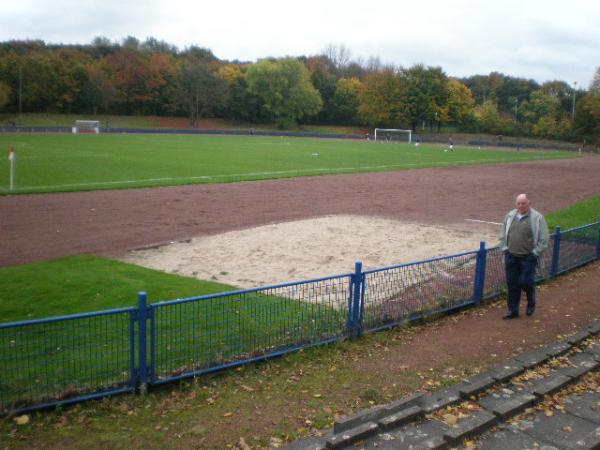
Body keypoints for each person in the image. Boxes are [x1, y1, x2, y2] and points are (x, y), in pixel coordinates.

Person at [499, 194, 549, 319]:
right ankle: (513, 310)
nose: (521, 206)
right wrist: (505, 248)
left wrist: (535, 253)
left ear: (529, 203)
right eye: (519, 203)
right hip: (511, 255)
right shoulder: (510, 216)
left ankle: (531, 300)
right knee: (512, 284)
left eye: (523, 203)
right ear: (516, 204)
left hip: (528, 257)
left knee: (525, 282)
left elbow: (544, 239)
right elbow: (502, 233)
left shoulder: (537, 218)